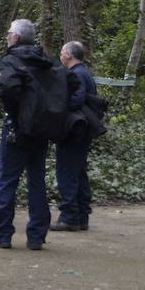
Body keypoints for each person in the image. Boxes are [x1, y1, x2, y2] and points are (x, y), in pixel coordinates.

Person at [0, 19, 79, 250]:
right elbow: (72, 82)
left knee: (7, 180)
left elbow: (9, 87)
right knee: (37, 181)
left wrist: (17, 109)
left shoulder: (10, 61)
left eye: (9, 33)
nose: (8, 36)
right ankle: (36, 236)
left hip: (18, 129)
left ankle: (2, 235)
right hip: (41, 130)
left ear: (16, 38)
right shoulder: (48, 62)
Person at [51, 41, 98, 232]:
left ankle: (70, 216)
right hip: (82, 130)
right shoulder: (85, 72)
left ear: (69, 55)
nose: (60, 55)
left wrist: (56, 104)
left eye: (62, 52)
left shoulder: (76, 74)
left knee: (67, 172)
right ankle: (81, 215)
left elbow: (76, 99)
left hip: (74, 131)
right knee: (78, 171)